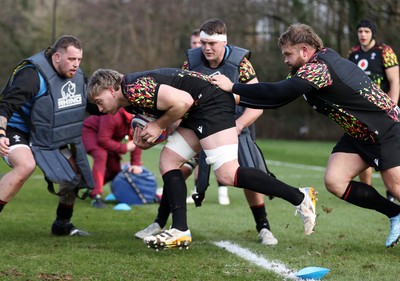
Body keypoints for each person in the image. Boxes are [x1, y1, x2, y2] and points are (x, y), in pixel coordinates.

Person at [211, 23, 400, 248]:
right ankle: (395, 214)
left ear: (304, 50)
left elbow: (278, 93)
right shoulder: (310, 67)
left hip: (385, 128)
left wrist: (233, 87)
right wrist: (234, 97)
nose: (285, 60)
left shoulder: (319, 68)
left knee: (396, 187)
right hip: (358, 133)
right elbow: (278, 99)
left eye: (288, 54)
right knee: (335, 180)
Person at [87, 67, 317, 249]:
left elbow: (183, 102)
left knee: (228, 174)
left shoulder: (133, 88)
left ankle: (300, 196)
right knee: (168, 160)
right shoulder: (131, 96)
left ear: (110, 89)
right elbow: (175, 114)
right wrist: (147, 140)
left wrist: (157, 126)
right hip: (199, 107)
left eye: (98, 101)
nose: (99, 109)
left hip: (210, 104)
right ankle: (180, 230)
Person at [135, 18, 278, 246]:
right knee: (176, 170)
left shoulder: (240, 63)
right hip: (197, 126)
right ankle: (160, 222)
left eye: (212, 43)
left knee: (246, 174)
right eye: (203, 43)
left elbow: (257, 102)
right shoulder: (190, 62)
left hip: (233, 126)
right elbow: (177, 97)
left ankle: (264, 227)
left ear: (224, 42)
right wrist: (170, 124)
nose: (206, 48)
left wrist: (239, 125)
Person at [0, 35, 94, 236]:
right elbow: (4, 106)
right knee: (25, 165)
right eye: (71, 59)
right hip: (17, 130)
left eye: (79, 60)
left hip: (47, 133)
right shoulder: (32, 75)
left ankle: (62, 224)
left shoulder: (77, 77)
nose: (76, 65)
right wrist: (0, 133)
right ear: (57, 56)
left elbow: (90, 105)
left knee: (74, 173)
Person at [348, 18, 399, 201]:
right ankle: (367, 192)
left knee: (389, 152)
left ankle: (392, 190)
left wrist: (392, 108)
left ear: (373, 34)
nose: (363, 35)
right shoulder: (353, 53)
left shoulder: (385, 51)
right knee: (365, 147)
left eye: (366, 31)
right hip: (361, 112)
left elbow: (395, 80)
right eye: (360, 31)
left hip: (384, 111)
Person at [82, 107, 143, 208]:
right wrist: (124, 147)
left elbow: (136, 142)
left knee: (115, 169)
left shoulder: (137, 120)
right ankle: (96, 196)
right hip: (90, 132)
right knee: (101, 155)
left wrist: (135, 164)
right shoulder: (113, 115)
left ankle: (90, 187)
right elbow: (102, 140)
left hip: (108, 138)